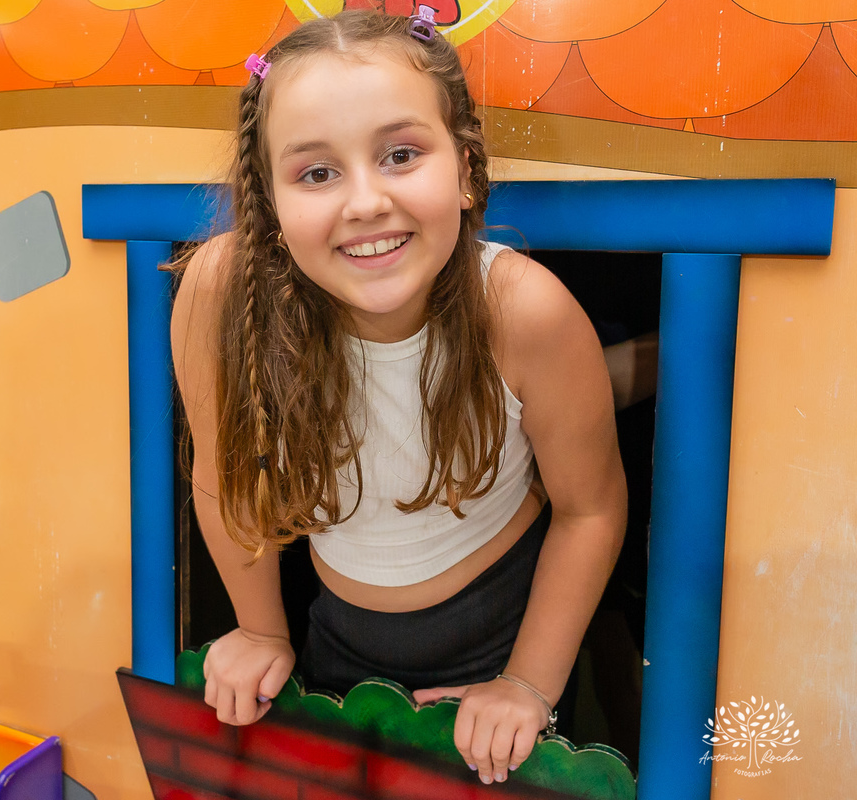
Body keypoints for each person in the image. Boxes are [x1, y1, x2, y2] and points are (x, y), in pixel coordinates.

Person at [169, 9, 627, 787]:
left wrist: (525, 684)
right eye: (316, 172)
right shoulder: (221, 292)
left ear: (467, 168)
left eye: (401, 155)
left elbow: (591, 509)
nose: (365, 202)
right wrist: (260, 629)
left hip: (506, 631)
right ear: (270, 201)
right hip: (336, 634)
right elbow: (221, 476)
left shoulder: (525, 312)